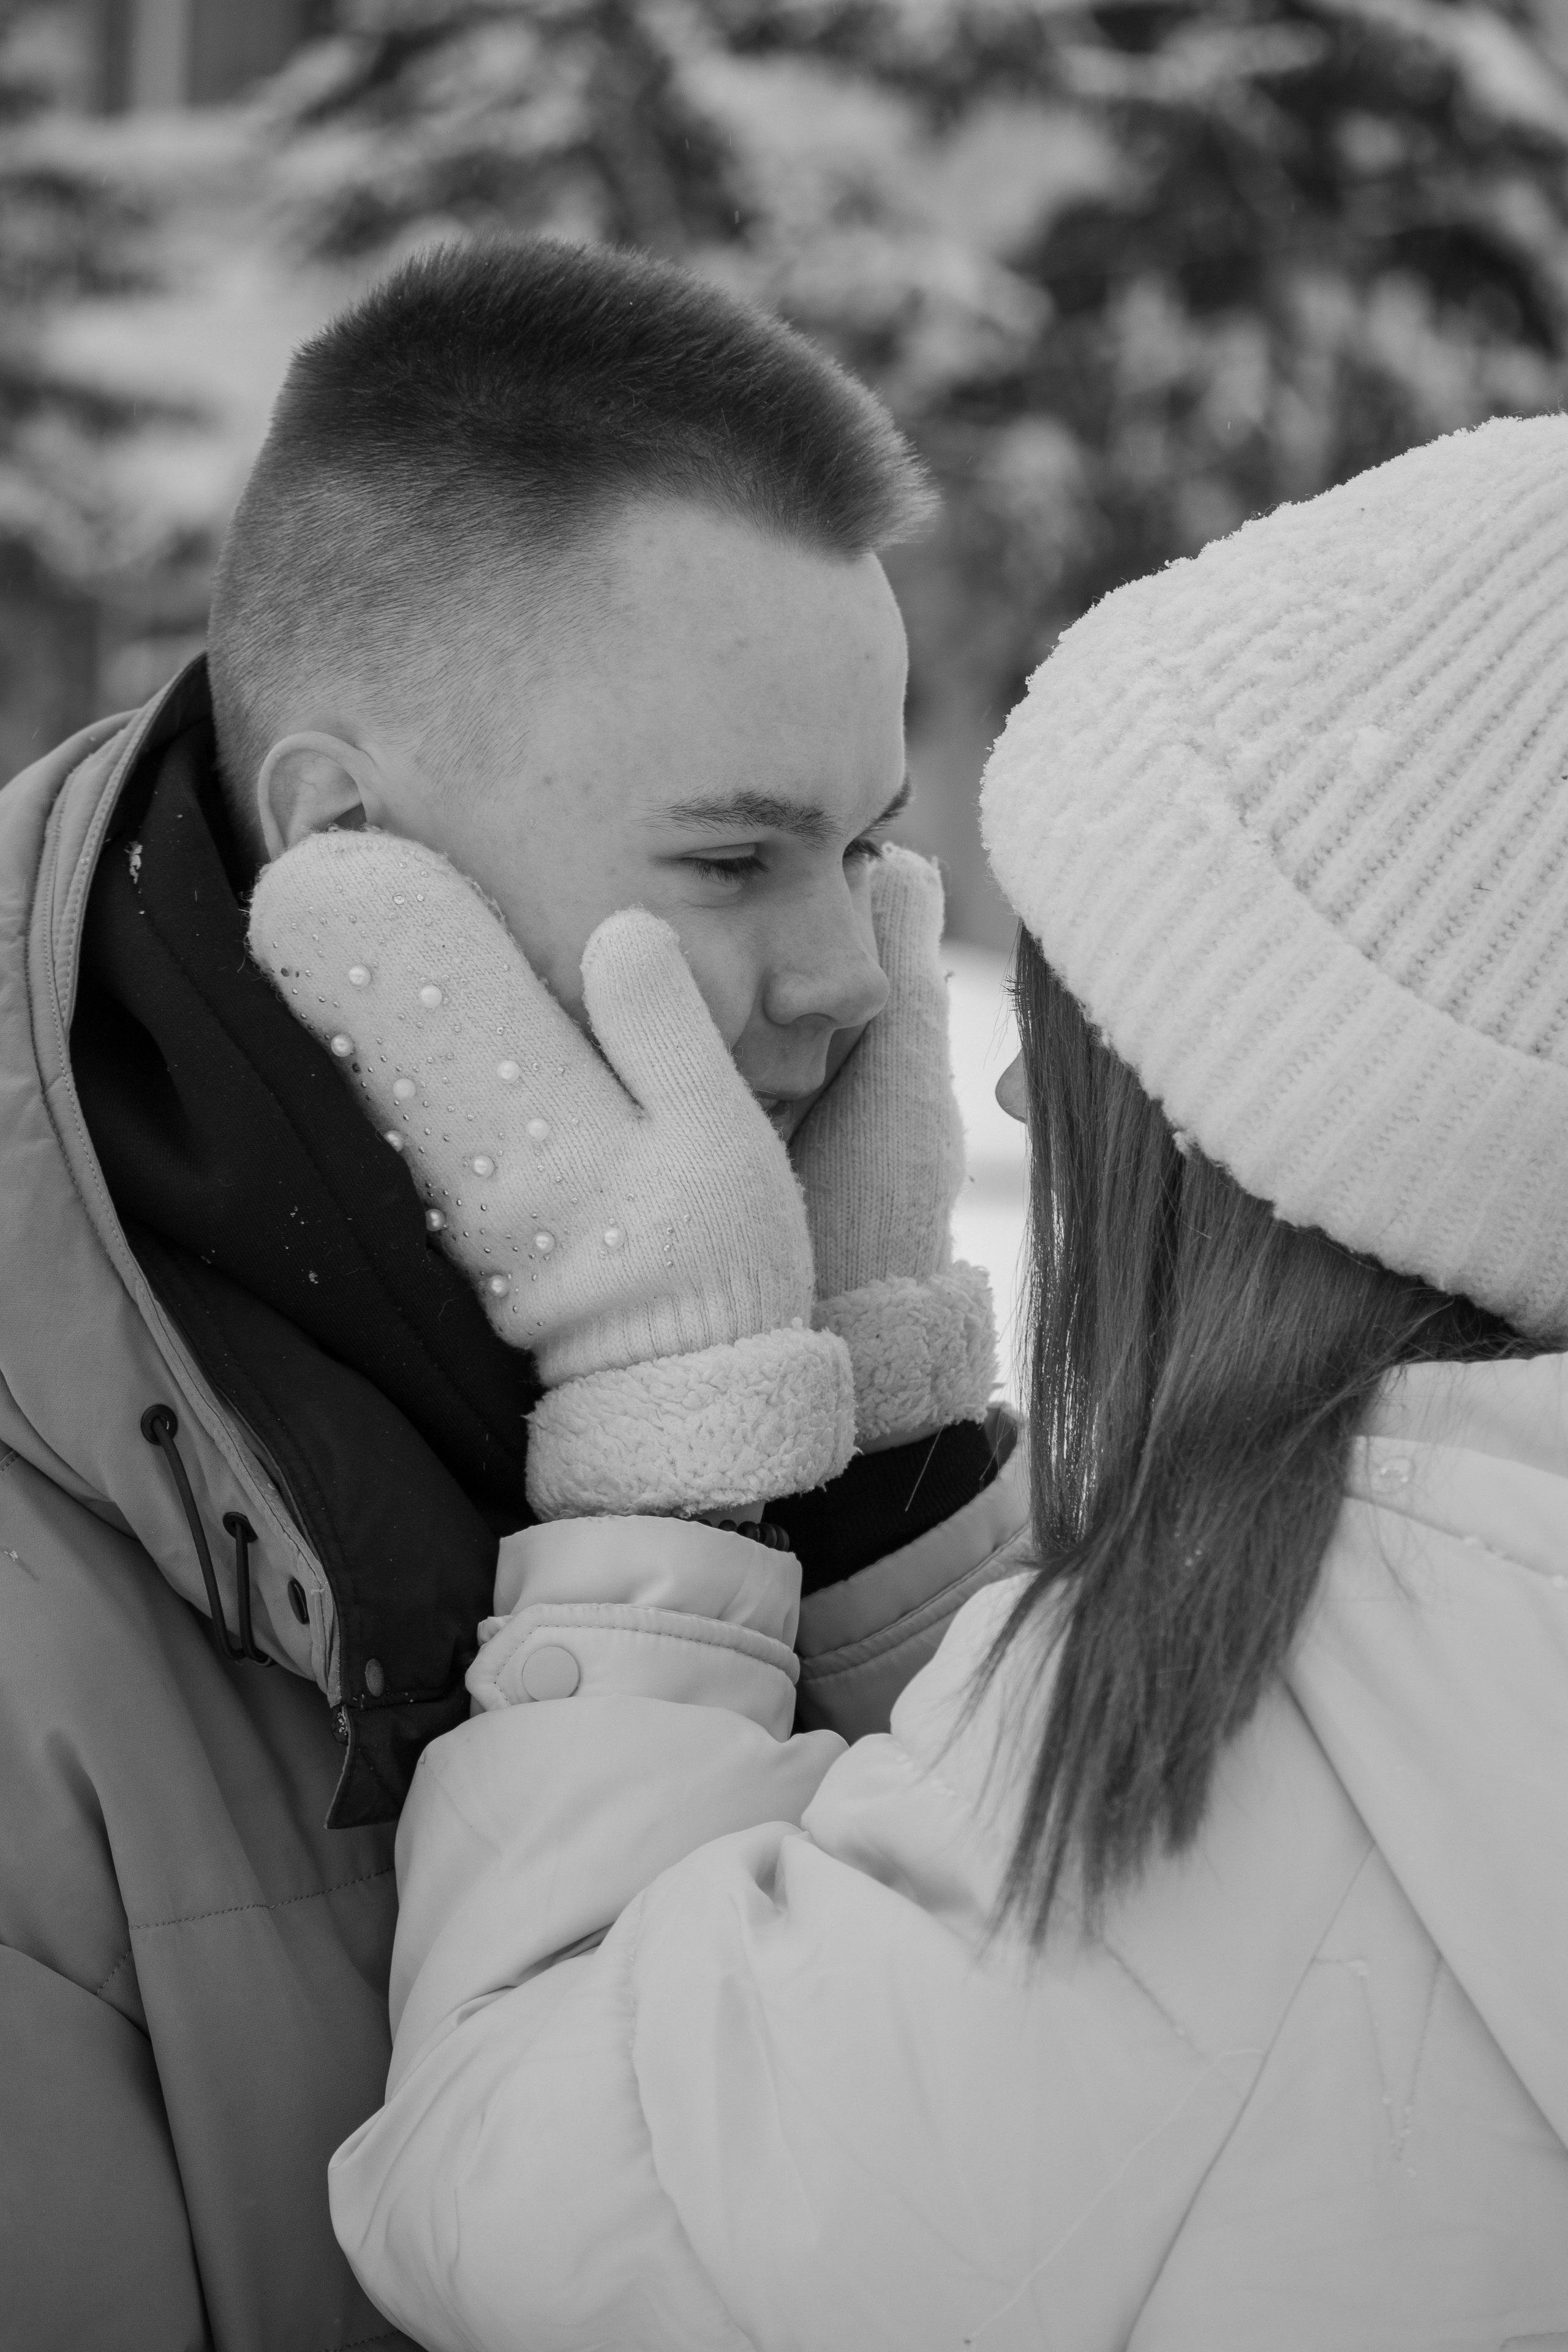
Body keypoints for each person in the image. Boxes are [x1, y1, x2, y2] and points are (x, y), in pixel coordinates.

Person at [330, 414, 1568, 2350]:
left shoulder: (1304, 1724)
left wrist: (676, 1458)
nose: (987, 1073)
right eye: (739, 854)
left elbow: (530, 2203)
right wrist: (896, 1462)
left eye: (1088, 1011)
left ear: (1310, 1124)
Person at [0, 238, 1025, 2349]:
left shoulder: (786, 1325)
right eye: (736, 861)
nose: (851, 977)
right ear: (353, 855)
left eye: (866, 852)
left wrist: (878, 1489)